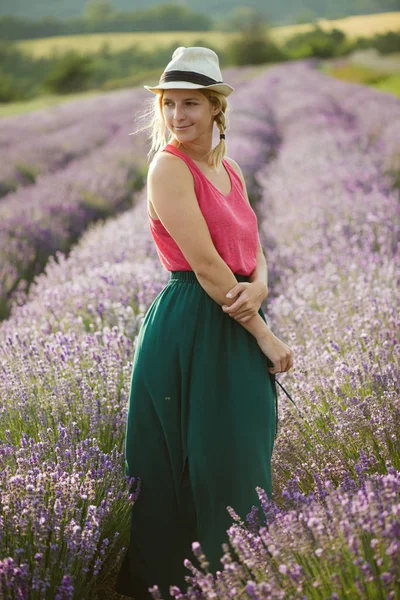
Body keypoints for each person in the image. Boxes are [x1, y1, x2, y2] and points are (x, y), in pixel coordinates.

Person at [115, 46, 294, 599]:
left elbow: (251, 248)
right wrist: (264, 334)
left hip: (235, 311)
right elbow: (208, 265)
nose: (178, 116)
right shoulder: (168, 167)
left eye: (190, 103)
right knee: (203, 458)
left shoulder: (230, 168)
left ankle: (243, 576)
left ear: (216, 107)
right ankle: (184, 580)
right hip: (194, 319)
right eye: (169, 105)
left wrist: (261, 287)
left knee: (243, 449)